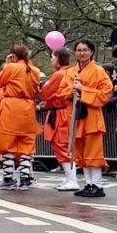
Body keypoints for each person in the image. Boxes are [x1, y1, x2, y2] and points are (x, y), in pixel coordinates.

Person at [57, 40, 113, 197]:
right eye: (79, 50)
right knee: (81, 151)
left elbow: (106, 92)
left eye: (85, 50)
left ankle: (97, 184)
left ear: (92, 52)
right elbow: (61, 92)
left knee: (93, 152)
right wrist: (71, 91)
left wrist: (84, 90)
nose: (82, 53)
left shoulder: (99, 71)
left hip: (92, 116)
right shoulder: (70, 72)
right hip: (76, 116)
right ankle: (88, 183)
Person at [0, 45, 40, 190]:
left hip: (11, 106)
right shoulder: (35, 71)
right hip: (28, 107)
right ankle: (25, 178)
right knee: (26, 145)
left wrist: (7, 64)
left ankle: (9, 178)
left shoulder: (11, 67)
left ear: (14, 56)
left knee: (8, 144)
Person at [40, 49, 76, 190]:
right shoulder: (71, 72)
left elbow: (45, 93)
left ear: (58, 58)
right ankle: (69, 178)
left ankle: (72, 179)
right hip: (63, 112)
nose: (51, 60)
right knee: (64, 145)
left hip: (60, 113)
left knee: (61, 145)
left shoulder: (59, 74)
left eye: (52, 57)